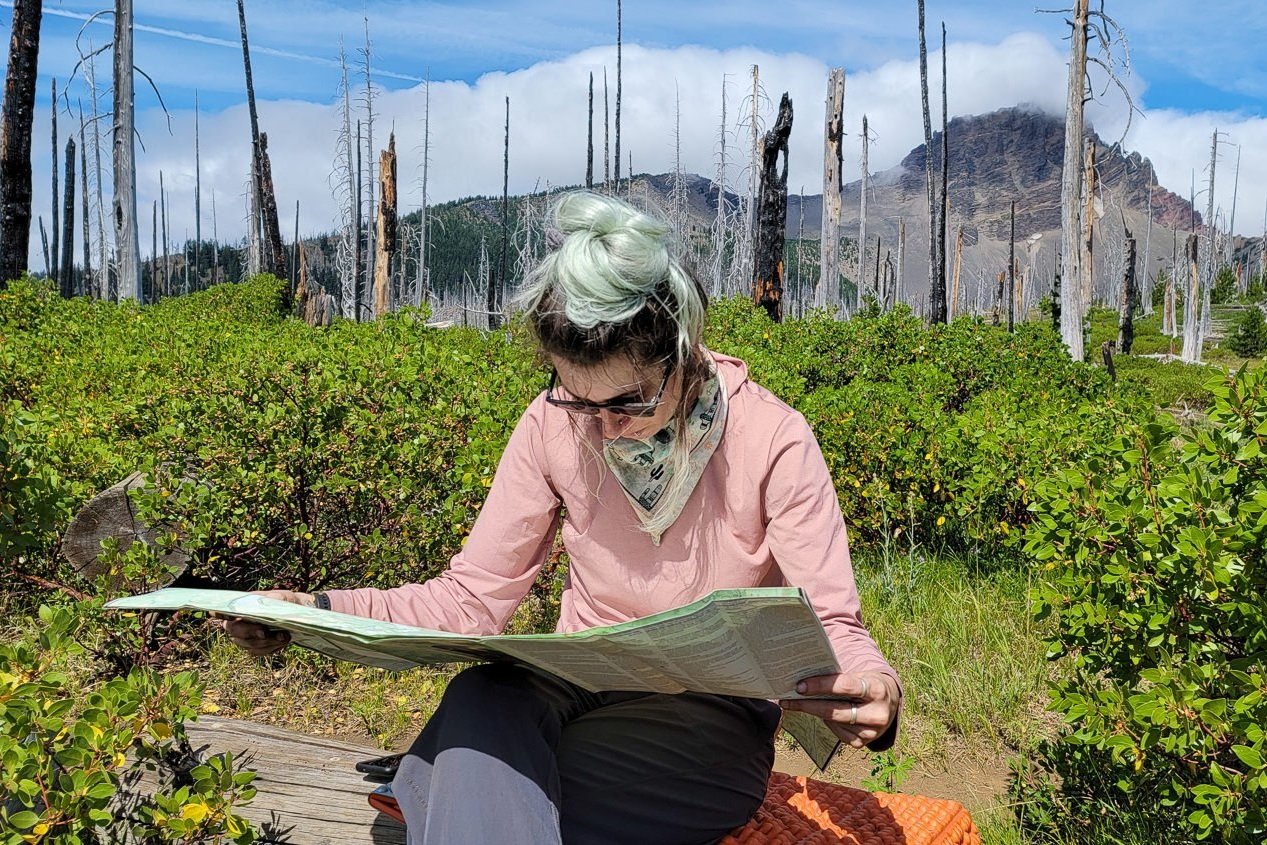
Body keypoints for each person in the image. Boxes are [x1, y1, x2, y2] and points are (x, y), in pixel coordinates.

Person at [224, 191, 902, 845]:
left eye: (628, 401)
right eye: (577, 400)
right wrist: (313, 608)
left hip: (703, 720)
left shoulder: (773, 438)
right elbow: (468, 598)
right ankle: (443, 783)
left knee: (469, 772)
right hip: (567, 690)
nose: (602, 427)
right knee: (481, 697)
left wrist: (872, 689)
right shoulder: (549, 425)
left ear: (683, 351)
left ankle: (432, 782)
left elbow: (833, 624)